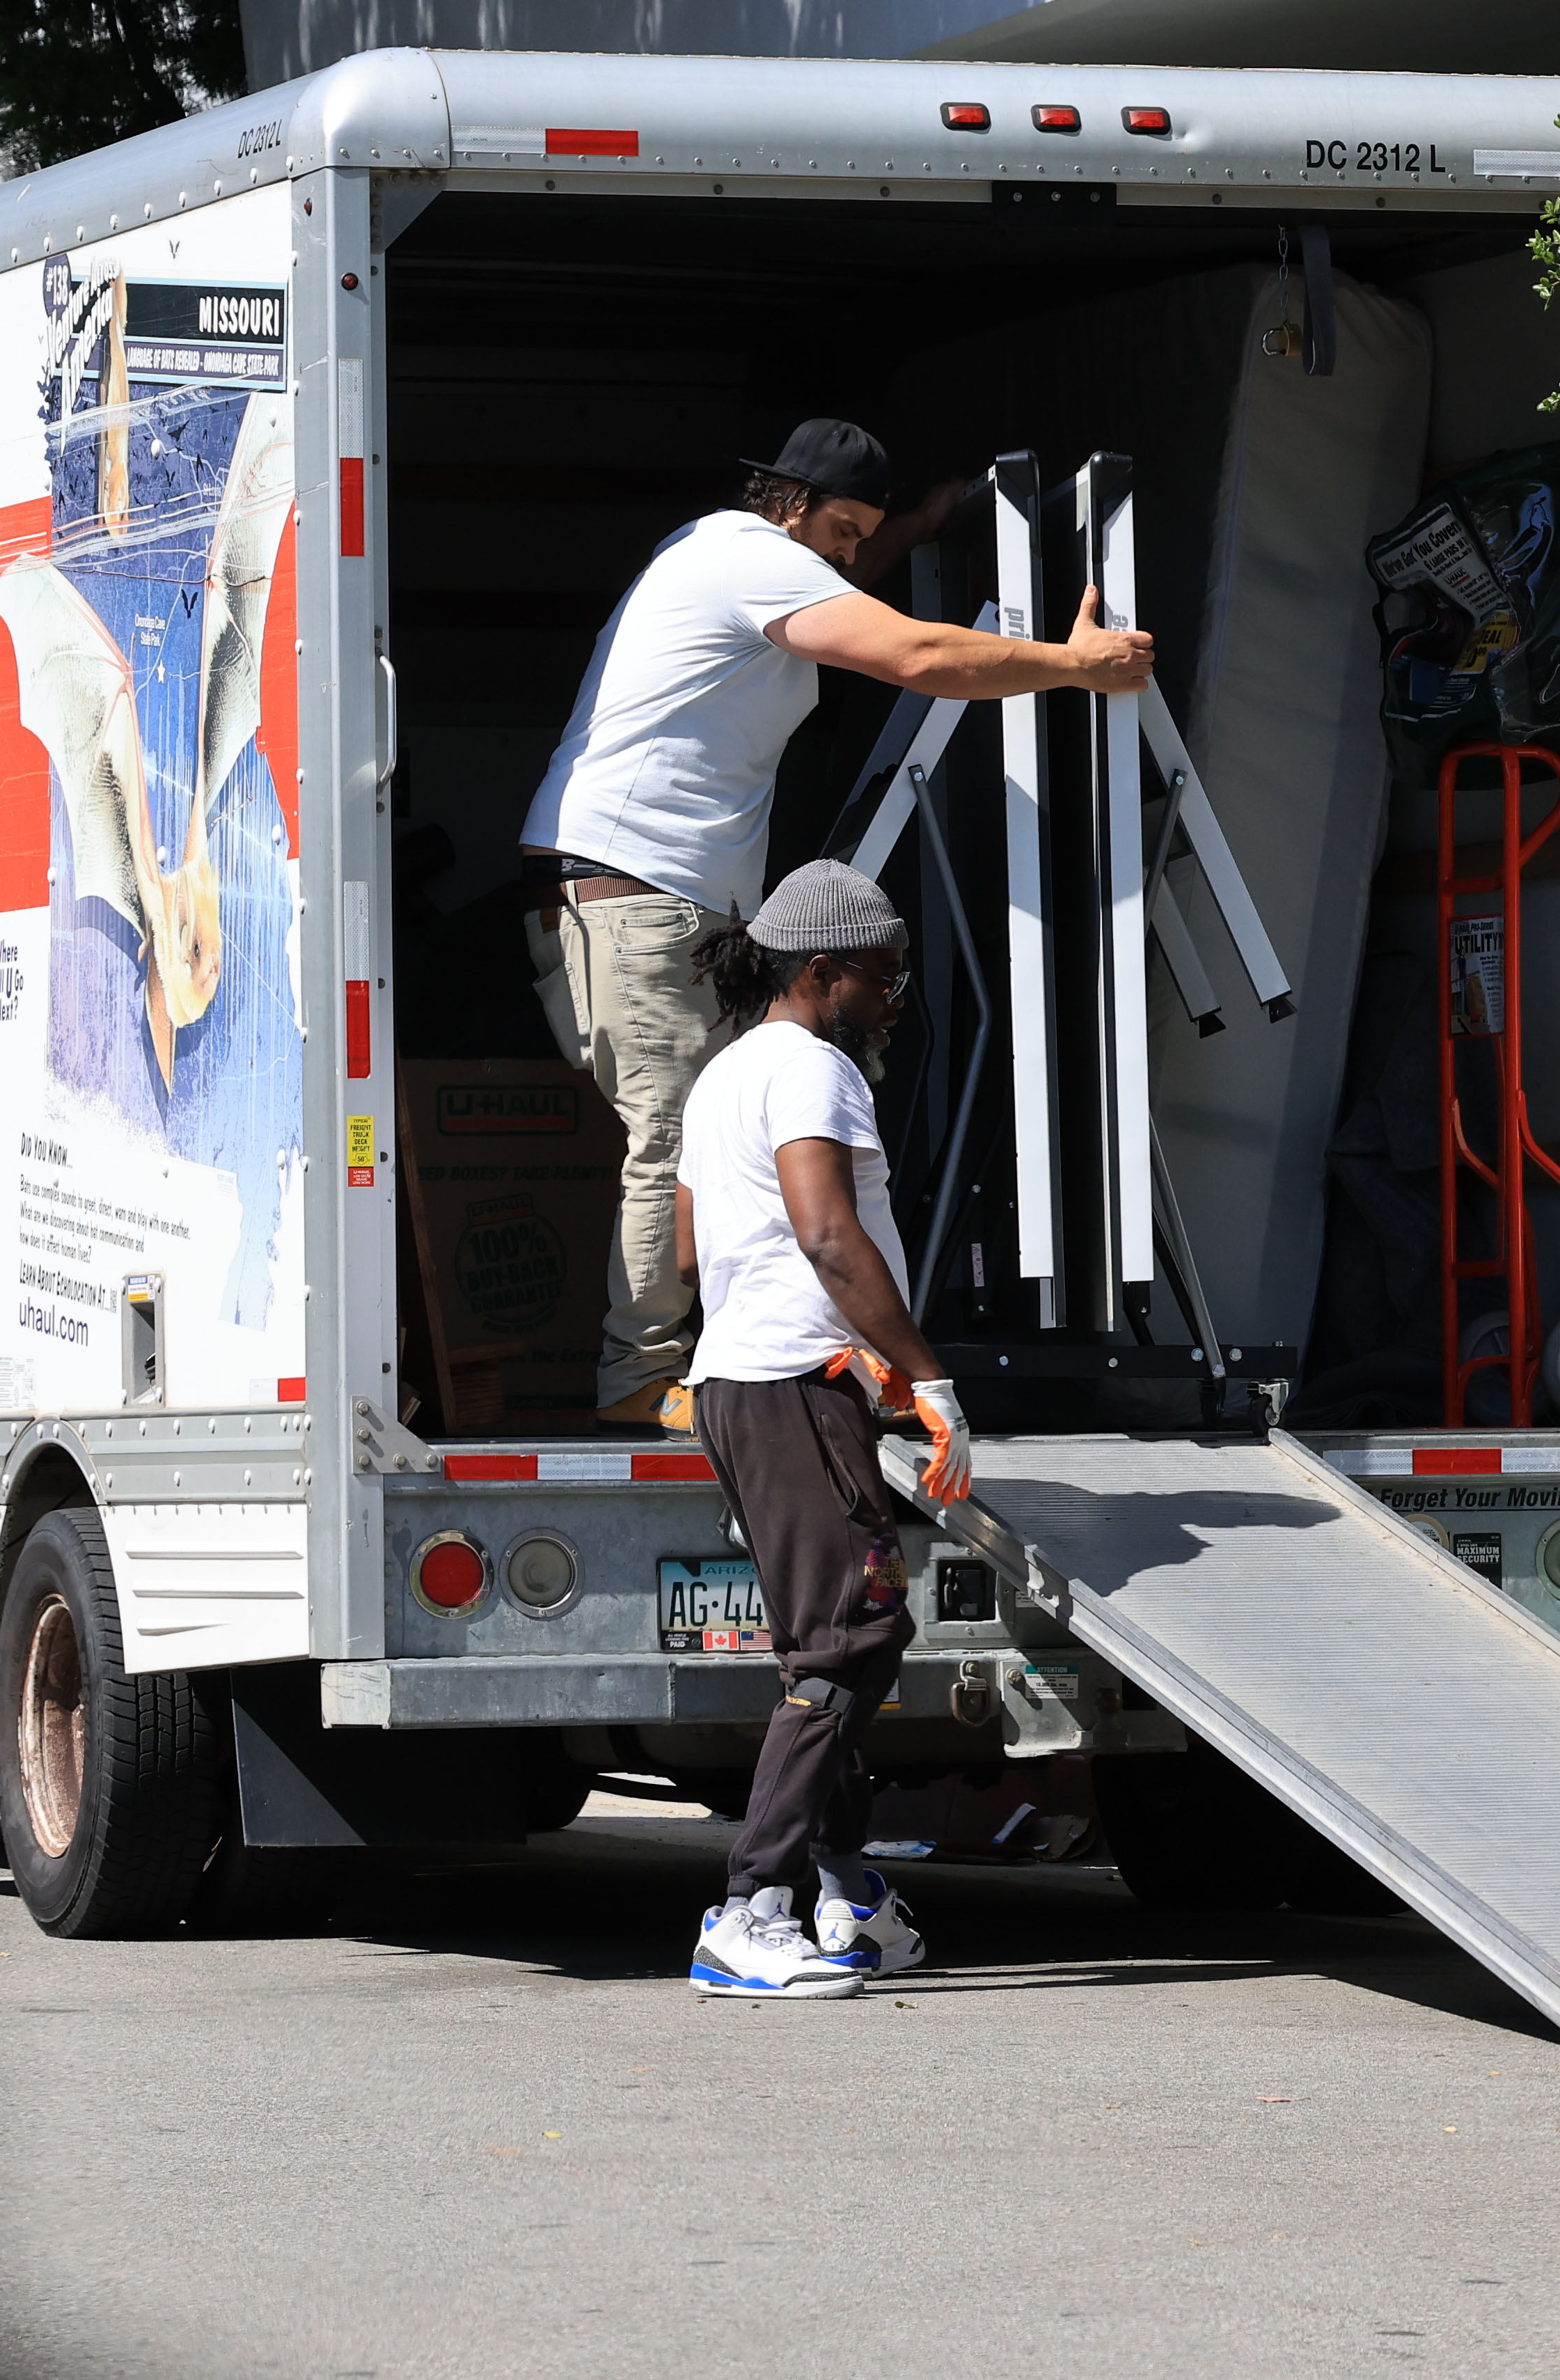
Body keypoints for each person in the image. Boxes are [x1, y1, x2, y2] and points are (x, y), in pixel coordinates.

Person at [520, 417, 1154, 1432]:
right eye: (845, 531)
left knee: (714, 1133)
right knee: (677, 1135)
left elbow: (847, 586)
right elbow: (908, 652)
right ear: (787, 506)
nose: (856, 555)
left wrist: (916, 525)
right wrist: (1073, 666)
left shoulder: (730, 555)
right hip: (637, 896)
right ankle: (638, 1379)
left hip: (655, 895)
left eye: (866, 537)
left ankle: (721, 1359)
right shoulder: (745, 558)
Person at [675, 859, 970, 1999]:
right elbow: (829, 1236)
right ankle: (749, 1907)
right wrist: (926, 1375)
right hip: (797, 1383)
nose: (894, 996)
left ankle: (848, 1886)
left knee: (844, 1641)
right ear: (823, 971)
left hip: (746, 1382)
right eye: (884, 976)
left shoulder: (720, 1079)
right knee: (847, 1641)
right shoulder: (811, 1072)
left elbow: (694, 1257)